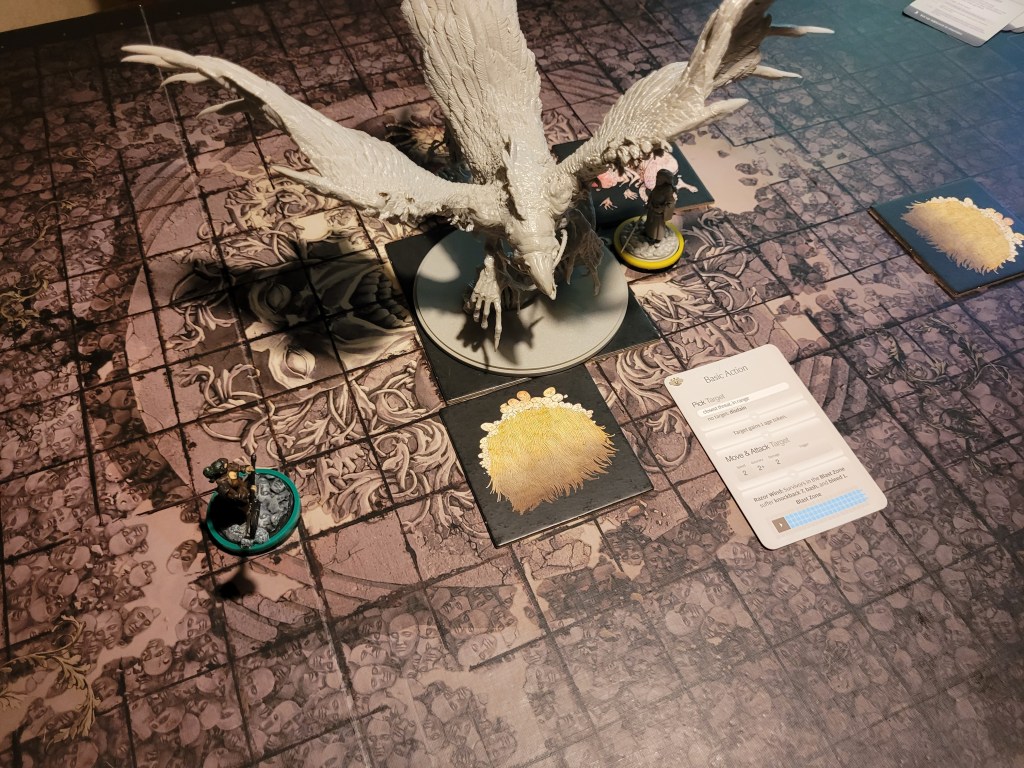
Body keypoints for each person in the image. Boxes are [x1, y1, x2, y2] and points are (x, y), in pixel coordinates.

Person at [643, 169, 676, 242]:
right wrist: (649, 203)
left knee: (656, 227)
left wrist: (661, 209)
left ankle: (656, 238)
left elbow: (671, 202)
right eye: (657, 177)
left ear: (665, 180)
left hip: (658, 212)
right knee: (649, 223)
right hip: (652, 208)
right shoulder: (658, 186)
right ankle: (648, 234)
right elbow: (652, 195)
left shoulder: (668, 190)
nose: (657, 179)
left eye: (659, 178)